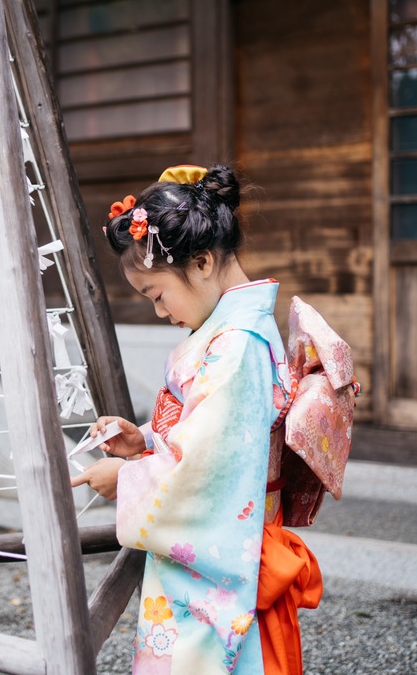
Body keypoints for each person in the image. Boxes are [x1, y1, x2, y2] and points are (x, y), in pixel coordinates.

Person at [70, 163, 334, 675]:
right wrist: (142, 438)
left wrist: (126, 478)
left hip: (230, 559)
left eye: (157, 295)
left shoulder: (236, 346)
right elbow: (205, 431)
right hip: (223, 550)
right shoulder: (228, 335)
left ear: (203, 262)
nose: (160, 312)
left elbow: (207, 468)